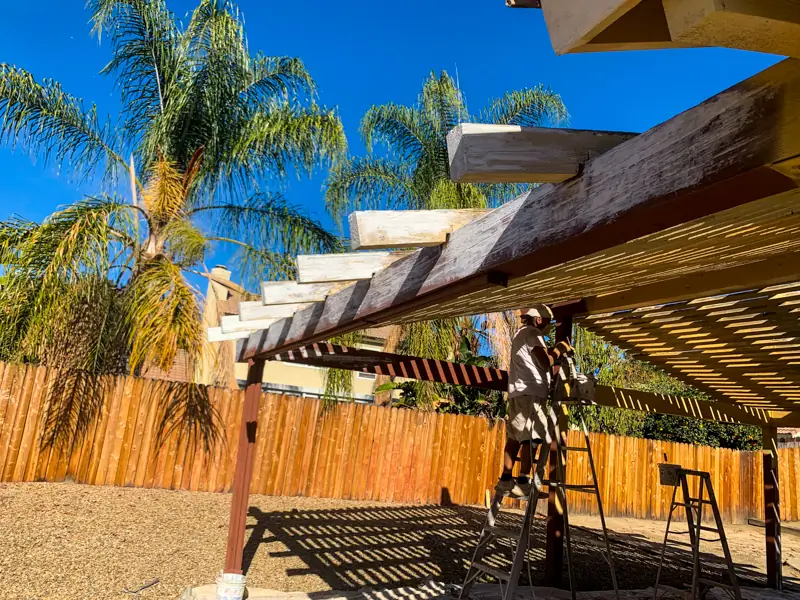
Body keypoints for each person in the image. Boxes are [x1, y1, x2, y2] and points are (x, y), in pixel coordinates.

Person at [496, 304, 573, 498]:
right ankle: (523, 482)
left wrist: (551, 350)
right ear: (538, 319)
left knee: (515, 437)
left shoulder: (520, 334)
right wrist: (559, 350)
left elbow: (537, 357)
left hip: (517, 393)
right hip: (530, 394)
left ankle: (506, 479)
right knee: (533, 438)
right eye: (547, 322)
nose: (548, 326)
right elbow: (545, 362)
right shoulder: (533, 334)